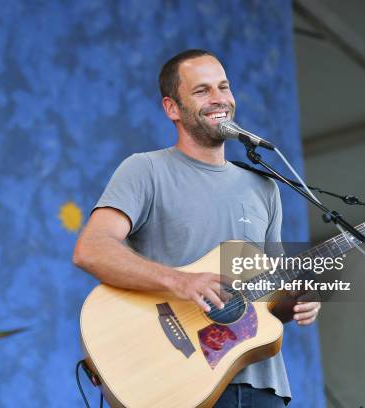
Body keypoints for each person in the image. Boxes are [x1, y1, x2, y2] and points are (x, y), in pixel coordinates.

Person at [73, 49, 321, 407]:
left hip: (259, 387)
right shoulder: (145, 170)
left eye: (224, 86)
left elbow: (272, 295)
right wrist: (182, 281)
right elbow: (91, 249)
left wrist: (298, 300)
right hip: (175, 383)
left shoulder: (264, 187)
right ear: (172, 108)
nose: (219, 98)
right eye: (202, 90)